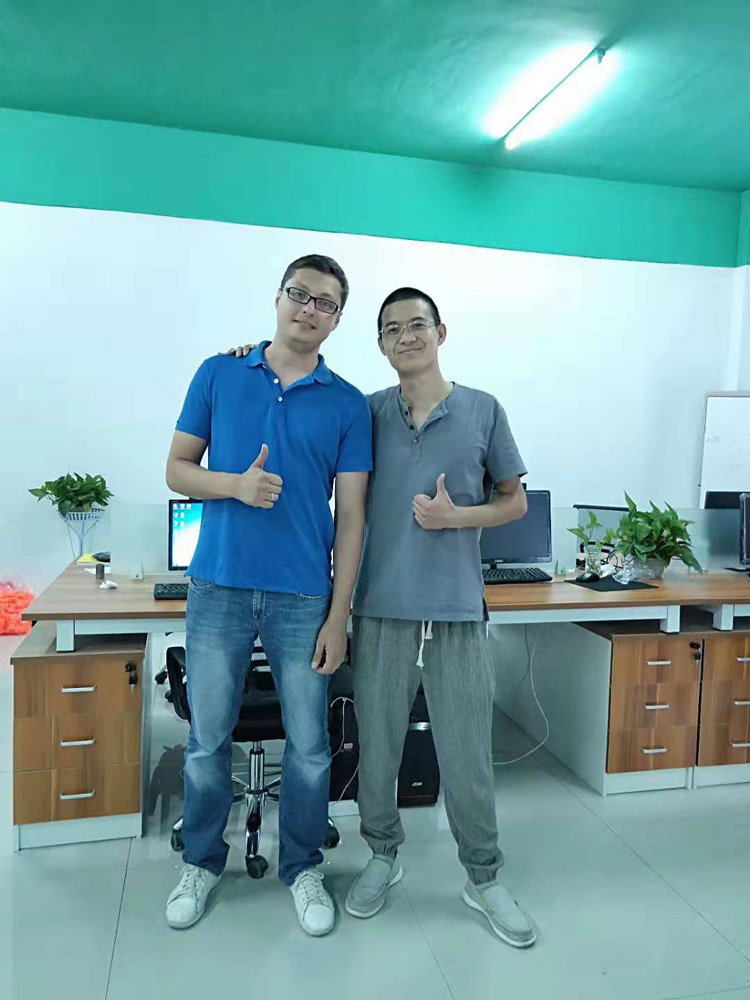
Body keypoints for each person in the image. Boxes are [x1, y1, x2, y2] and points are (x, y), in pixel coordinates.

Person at [226, 286, 536, 948]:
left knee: (467, 755)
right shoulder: (365, 412)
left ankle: (484, 877)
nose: (406, 337)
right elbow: (305, 420)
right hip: (379, 611)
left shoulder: (483, 410)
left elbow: (515, 501)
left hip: (455, 613)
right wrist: (250, 355)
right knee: (378, 750)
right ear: (379, 343)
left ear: (441, 332)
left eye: (417, 325)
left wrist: (458, 517)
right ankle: (383, 856)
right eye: (392, 329)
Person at [165, 254, 371, 937]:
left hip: (303, 599)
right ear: (278, 298)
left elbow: (353, 518)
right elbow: (177, 469)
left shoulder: (347, 404)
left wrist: (339, 615)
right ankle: (200, 861)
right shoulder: (218, 373)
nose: (309, 309)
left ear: (337, 320)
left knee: (310, 747)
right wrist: (235, 485)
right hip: (218, 588)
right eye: (300, 294)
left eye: (325, 303)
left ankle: (303, 867)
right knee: (206, 741)